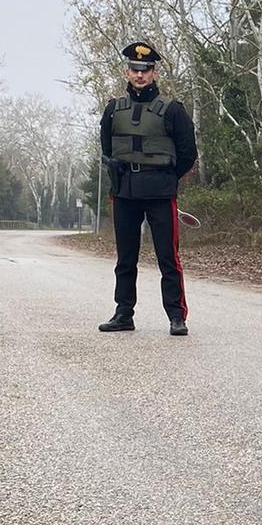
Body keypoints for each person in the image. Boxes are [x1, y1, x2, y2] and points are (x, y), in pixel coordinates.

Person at [97, 42, 198, 336]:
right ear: (126, 72)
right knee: (125, 259)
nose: (139, 75)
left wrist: (166, 177)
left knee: (168, 258)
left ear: (154, 72)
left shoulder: (173, 110)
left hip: (160, 193)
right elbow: (107, 149)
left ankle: (176, 317)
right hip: (125, 192)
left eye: (145, 70)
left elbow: (188, 153)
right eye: (134, 69)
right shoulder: (113, 109)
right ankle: (123, 314)